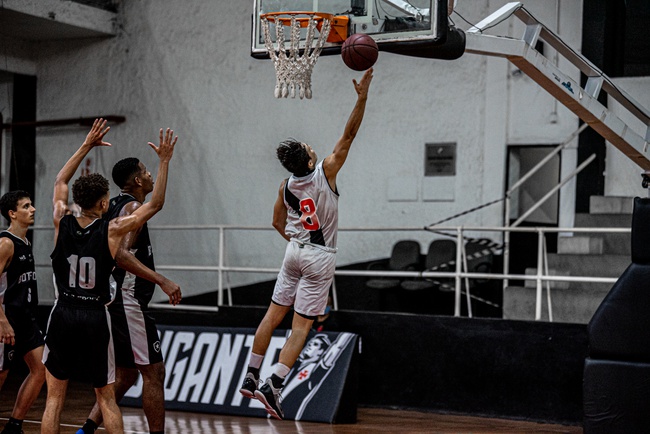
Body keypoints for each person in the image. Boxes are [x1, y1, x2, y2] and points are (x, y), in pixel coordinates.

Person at [239, 68, 373, 420]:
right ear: (310, 159)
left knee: (272, 316)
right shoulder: (327, 170)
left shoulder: (284, 186)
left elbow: (275, 223)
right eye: (309, 147)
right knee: (301, 327)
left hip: (293, 252)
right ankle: (274, 384)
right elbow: (350, 134)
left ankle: (252, 375)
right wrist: (361, 97)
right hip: (319, 256)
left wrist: (296, 240)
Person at [41, 119, 177, 434]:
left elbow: (62, 178)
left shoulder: (61, 219)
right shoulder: (111, 231)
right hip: (94, 314)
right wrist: (166, 161)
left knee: (54, 398)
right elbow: (155, 204)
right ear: (104, 203)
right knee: (106, 398)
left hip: (62, 310)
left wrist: (87, 144)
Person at [77, 157, 182, 434]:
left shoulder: (114, 205)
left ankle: (84, 431)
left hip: (114, 299)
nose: (150, 177)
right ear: (137, 181)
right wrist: (162, 280)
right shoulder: (132, 207)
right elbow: (121, 255)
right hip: (128, 300)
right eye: (147, 173)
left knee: (126, 374)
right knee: (154, 372)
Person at [0, 191, 45, 434]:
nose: (33, 209)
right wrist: (2, 321)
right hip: (6, 320)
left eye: (32, 204)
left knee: (41, 370)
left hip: (25, 319)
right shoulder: (5, 243)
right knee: (2, 375)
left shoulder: (25, 241)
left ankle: (14, 425)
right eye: (26, 206)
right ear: (12, 213)